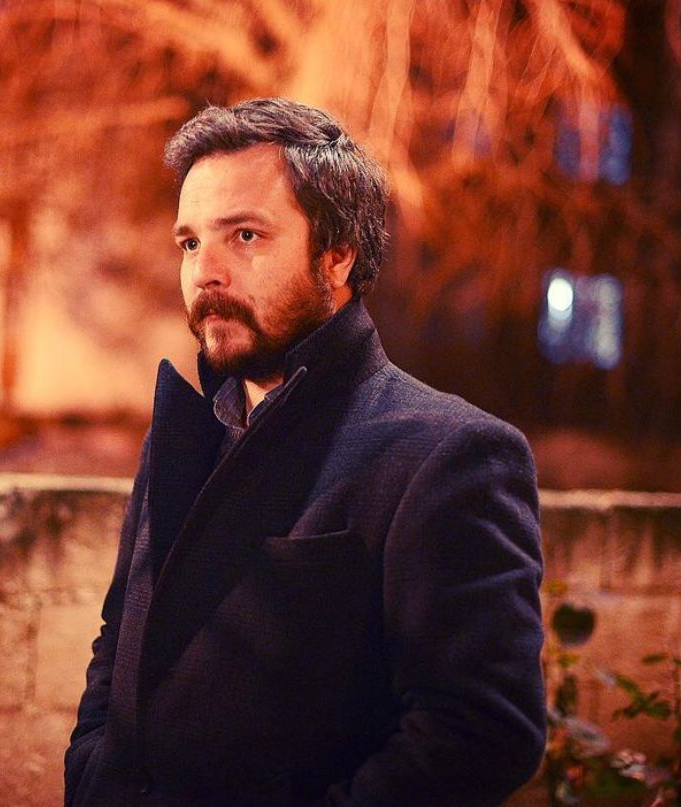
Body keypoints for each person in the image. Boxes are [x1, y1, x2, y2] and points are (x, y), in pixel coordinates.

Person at [65, 97, 545, 807]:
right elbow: (121, 639)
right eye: (190, 243)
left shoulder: (447, 454)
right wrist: (93, 768)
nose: (205, 272)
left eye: (245, 235)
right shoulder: (187, 432)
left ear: (337, 254)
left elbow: (482, 730)